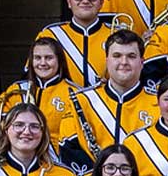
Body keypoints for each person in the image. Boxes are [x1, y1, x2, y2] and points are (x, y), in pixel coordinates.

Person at [65, 31, 159, 160]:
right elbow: (69, 148)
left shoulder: (159, 103)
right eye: (117, 56)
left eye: (131, 56)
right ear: (107, 61)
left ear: (142, 62)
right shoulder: (82, 100)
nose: (124, 62)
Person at [0, 37, 84, 154]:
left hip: (57, 163)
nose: (42, 63)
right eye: (37, 58)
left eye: (49, 58)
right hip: (16, 160)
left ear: (60, 60)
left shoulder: (75, 93)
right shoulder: (16, 90)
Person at [36, 0, 114, 85]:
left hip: (105, 101)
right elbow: (33, 76)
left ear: (101, 2)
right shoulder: (51, 34)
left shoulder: (116, 34)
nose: (85, 1)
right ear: (69, 1)